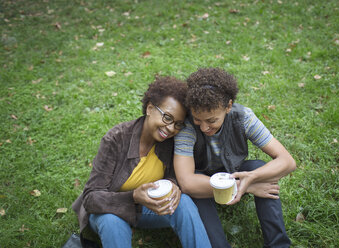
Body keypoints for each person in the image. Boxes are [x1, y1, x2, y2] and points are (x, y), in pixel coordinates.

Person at [72, 76, 212, 248]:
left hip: (145, 210)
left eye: (178, 124)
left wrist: (173, 184)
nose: (170, 129)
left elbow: (173, 175)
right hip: (109, 209)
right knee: (111, 222)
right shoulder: (116, 139)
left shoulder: (170, 142)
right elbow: (91, 198)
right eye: (167, 118)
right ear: (150, 108)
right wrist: (133, 196)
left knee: (184, 203)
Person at [174, 68, 297, 248]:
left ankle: (278, 244)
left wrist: (252, 177)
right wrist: (247, 186)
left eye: (212, 120)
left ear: (228, 106)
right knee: (194, 195)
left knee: (259, 168)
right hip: (202, 181)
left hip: (233, 172)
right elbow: (186, 182)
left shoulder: (244, 117)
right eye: (198, 119)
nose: (204, 127)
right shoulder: (186, 127)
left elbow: (287, 161)